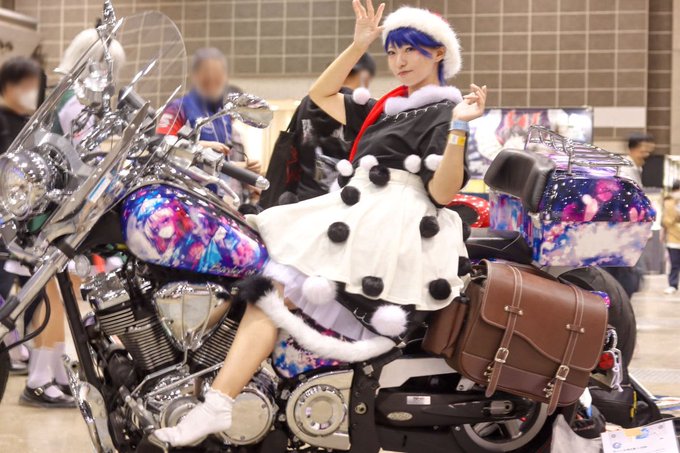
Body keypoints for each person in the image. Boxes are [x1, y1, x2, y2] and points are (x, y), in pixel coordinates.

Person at [155, 1, 486, 446]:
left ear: (439, 52)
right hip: (356, 210)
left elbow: (442, 192)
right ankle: (206, 387)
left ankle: (218, 402)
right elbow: (320, 96)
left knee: (270, 292)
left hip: (388, 224)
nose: (400, 61)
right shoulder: (388, 107)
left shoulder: (444, 111)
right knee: (252, 274)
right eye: (392, 52)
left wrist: (459, 129)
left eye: (411, 50)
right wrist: (358, 45)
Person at [263, 53, 376, 206]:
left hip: (304, 198)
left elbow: (296, 147)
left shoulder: (306, 102)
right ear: (363, 76)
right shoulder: (356, 107)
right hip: (344, 199)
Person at [156, 47, 260, 190]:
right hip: (183, 191)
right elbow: (161, 147)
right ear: (195, 76)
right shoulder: (179, 107)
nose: (212, 78)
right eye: (206, 72)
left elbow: (218, 163)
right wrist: (202, 147)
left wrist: (243, 169)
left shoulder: (223, 117)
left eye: (218, 73)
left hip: (213, 197)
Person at [662, 182, 680, 294]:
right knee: (674, 263)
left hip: (673, 236)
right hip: (673, 238)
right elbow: (666, 221)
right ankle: (673, 284)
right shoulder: (669, 202)